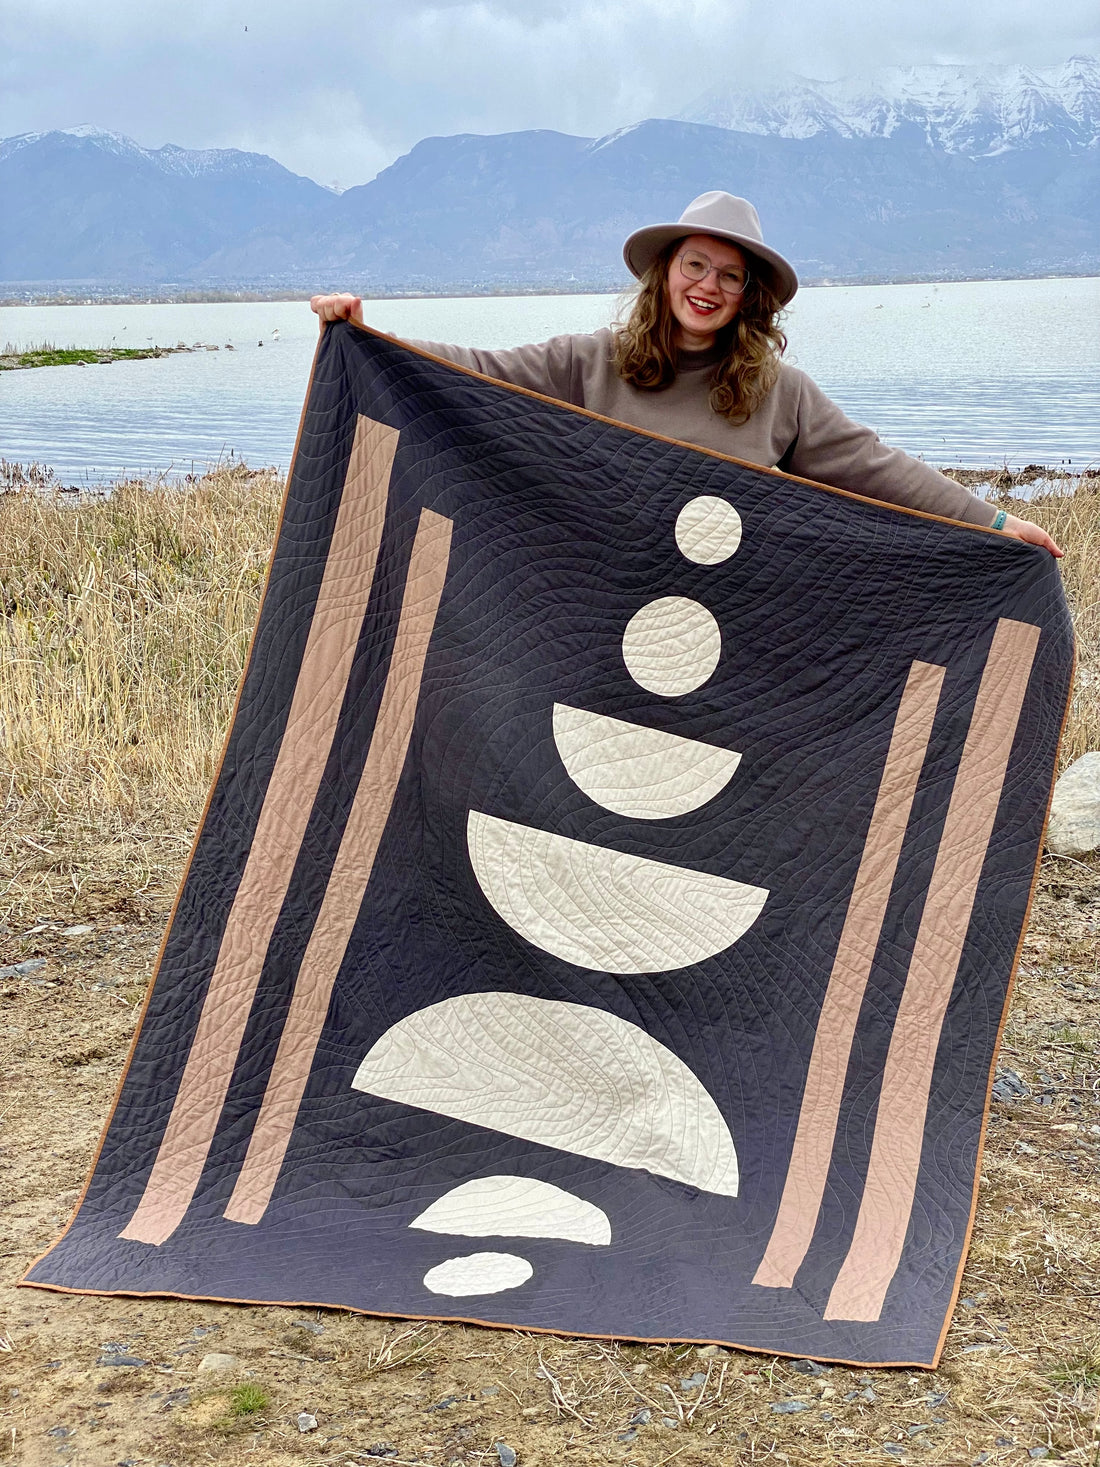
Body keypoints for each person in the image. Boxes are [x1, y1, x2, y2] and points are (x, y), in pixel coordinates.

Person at [311, 191, 1061, 555]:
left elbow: (878, 469)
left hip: (725, 628)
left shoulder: (780, 396)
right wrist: (367, 335)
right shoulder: (588, 362)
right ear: (666, 273)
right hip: (591, 611)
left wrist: (995, 523)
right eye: (695, 264)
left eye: (729, 276)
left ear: (748, 297)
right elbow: (477, 373)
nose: (708, 285)